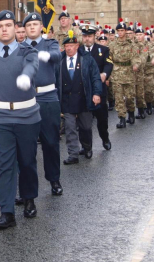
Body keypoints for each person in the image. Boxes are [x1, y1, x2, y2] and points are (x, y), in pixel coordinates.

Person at [0, 10, 40, 229]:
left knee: (27, 161)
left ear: (15, 28)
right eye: (0, 26)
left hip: (26, 115)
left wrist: (26, 75)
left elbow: (33, 66)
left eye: (8, 25)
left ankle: (29, 198)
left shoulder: (27, 51)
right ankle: (7, 212)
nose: (4, 29)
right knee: (4, 165)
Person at [22, 13, 63, 195]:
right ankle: (27, 188)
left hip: (47, 97)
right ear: (24, 28)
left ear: (41, 27)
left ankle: (54, 179)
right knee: (25, 146)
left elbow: (57, 55)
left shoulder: (50, 43)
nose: (32, 27)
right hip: (26, 99)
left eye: (35, 24)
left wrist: (44, 54)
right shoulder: (19, 47)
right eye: (29, 24)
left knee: (51, 142)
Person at [59, 30, 103, 165]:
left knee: (85, 127)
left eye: (71, 46)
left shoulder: (87, 59)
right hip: (67, 100)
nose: (69, 48)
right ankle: (73, 154)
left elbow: (95, 77)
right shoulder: (59, 60)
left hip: (84, 98)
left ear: (77, 46)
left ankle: (87, 147)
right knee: (70, 128)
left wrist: (96, 93)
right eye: (66, 46)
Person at [80, 24, 112, 152]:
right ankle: (86, 146)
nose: (87, 39)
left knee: (102, 119)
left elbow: (109, 64)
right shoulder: (79, 51)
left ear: (95, 37)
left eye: (90, 36)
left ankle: (105, 138)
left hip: (99, 90)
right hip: (83, 91)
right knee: (84, 122)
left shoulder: (103, 50)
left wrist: (105, 74)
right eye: (85, 36)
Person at [109, 19, 140, 128]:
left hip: (129, 73)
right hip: (117, 72)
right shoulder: (112, 45)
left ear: (125, 31)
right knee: (118, 97)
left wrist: (136, 65)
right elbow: (109, 58)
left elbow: (136, 57)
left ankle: (131, 113)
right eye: (119, 31)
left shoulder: (131, 44)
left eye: (122, 30)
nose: (120, 33)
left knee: (130, 97)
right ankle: (121, 118)